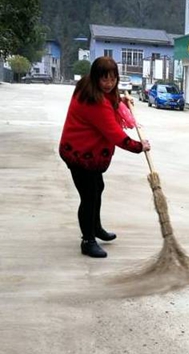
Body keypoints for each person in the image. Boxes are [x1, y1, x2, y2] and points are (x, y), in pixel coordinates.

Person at [59, 57, 150, 258]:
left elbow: (110, 101)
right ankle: (88, 240)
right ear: (95, 78)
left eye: (113, 79)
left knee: (97, 187)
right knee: (89, 196)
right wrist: (139, 146)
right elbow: (114, 133)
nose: (109, 84)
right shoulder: (95, 102)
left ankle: (95, 228)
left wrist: (121, 101)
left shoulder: (87, 86)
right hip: (79, 154)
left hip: (85, 151)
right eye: (104, 79)